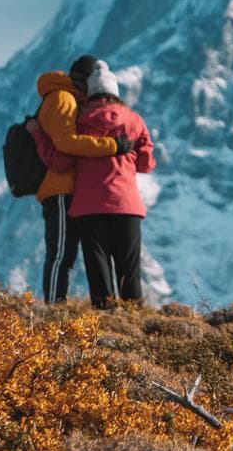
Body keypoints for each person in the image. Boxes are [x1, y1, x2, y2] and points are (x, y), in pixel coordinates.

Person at [29, 59, 155, 306]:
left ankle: (104, 314)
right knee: (129, 271)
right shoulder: (133, 120)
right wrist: (122, 151)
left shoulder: (80, 121)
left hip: (88, 206)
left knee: (98, 271)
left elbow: (62, 154)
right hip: (126, 204)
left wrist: (37, 134)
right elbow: (146, 163)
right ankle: (135, 318)